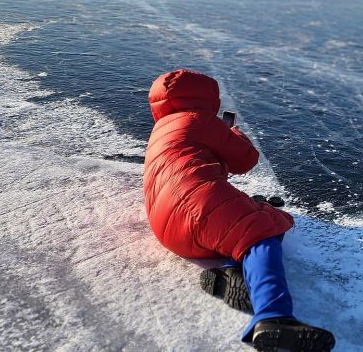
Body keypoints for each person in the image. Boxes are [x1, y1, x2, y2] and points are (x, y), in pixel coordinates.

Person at [143, 69, 335, 351]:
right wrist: (232, 132)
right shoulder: (202, 120)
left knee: (261, 217)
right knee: (262, 231)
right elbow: (246, 161)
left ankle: (231, 273)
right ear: (204, 97)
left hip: (168, 227)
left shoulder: (163, 127)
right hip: (196, 204)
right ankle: (273, 317)